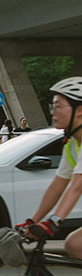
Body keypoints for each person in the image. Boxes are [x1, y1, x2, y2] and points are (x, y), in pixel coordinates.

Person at [19, 78, 82, 258]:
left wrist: (53, 222)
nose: (52, 112)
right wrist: (32, 221)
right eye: (51, 106)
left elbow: (77, 186)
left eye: (58, 106)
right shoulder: (72, 144)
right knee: (75, 245)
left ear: (79, 110)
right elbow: (57, 186)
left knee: (75, 244)